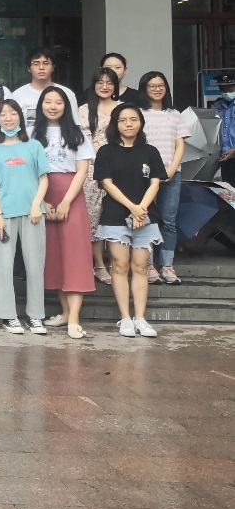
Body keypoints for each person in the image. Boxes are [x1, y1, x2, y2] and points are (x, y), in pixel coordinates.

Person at [95, 103, 166, 338]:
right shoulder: (106, 152)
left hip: (145, 217)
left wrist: (141, 210)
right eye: (123, 120)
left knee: (140, 267)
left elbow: (155, 183)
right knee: (119, 265)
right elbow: (107, 183)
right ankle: (125, 318)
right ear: (115, 124)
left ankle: (140, 318)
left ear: (141, 123)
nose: (128, 124)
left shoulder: (150, 151)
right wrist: (133, 208)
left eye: (133, 119)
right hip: (115, 216)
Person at [35, 86, 96, 339]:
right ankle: (64, 312)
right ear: (40, 105)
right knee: (54, 257)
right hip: (42, 194)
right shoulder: (32, 134)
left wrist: (66, 202)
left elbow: (82, 171)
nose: (52, 106)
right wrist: (42, 202)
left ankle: (74, 318)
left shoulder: (77, 133)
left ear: (66, 106)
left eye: (58, 102)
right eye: (47, 101)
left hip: (71, 194)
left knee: (75, 256)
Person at [0, 100, 49, 335]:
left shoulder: (34, 146)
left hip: (33, 213)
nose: (8, 118)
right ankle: (8, 316)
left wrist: (36, 205)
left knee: (35, 266)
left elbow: (44, 178)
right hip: (4, 214)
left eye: (13, 113)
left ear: (20, 117)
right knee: (3, 267)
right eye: (3, 114)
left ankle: (35, 316)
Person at [139, 72, 189, 285]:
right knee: (147, 219)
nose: (157, 89)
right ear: (144, 89)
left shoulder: (174, 114)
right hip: (145, 176)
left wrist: (172, 169)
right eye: (152, 86)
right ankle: (149, 266)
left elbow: (180, 145)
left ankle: (167, 266)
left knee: (169, 221)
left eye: (161, 85)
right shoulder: (139, 113)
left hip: (171, 175)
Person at [78, 68, 121, 284]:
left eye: (109, 83)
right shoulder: (84, 110)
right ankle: (98, 265)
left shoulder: (123, 109)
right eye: (100, 82)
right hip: (91, 170)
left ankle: (116, 263)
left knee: (114, 217)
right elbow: (82, 142)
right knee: (93, 218)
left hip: (118, 169)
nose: (104, 86)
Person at [12, 48, 78, 134]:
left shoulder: (67, 94)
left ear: (53, 67)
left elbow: (75, 124)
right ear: (28, 68)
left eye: (46, 63)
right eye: (36, 64)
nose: (41, 67)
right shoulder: (17, 96)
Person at [217, 73, 235, 185]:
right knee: (227, 190)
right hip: (224, 157)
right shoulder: (217, 106)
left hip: (233, 153)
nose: (227, 92)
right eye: (223, 89)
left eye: (230, 89)